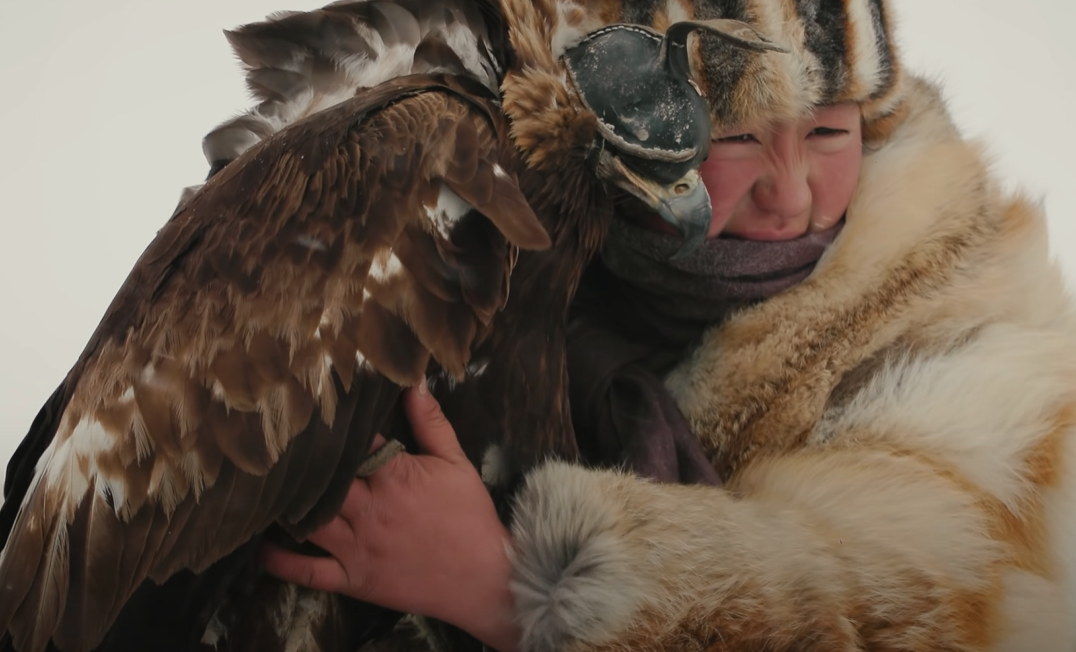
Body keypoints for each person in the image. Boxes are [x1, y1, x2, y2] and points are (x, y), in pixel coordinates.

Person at [259, 0, 1076, 650]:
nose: (792, 196)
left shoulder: (952, 314)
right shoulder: (492, 259)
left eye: (831, 129)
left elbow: (916, 604)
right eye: (737, 134)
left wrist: (503, 589)